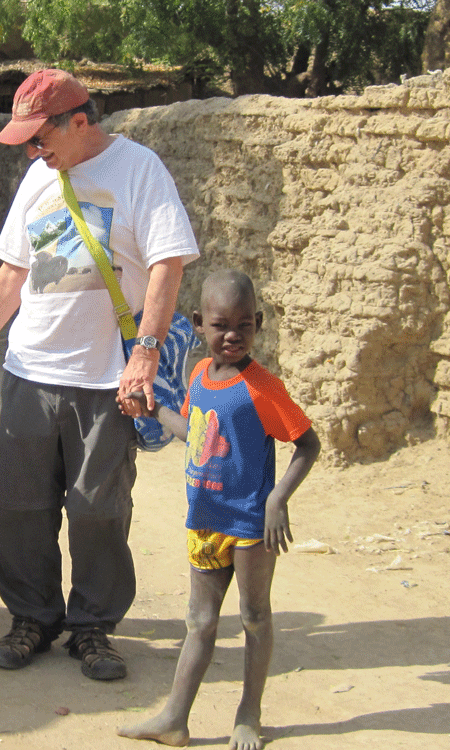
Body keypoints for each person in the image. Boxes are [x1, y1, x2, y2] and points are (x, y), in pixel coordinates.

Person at [0, 68, 199, 681]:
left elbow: (168, 263)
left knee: (98, 509)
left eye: (40, 139)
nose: (33, 153)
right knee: (21, 506)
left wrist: (145, 353)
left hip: (105, 377)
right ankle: (32, 619)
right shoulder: (39, 177)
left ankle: (92, 626)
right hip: (30, 370)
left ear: (78, 121)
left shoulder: (139, 169)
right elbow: (14, 269)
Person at [118, 269, 321, 749]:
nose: (233, 335)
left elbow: (308, 444)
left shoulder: (263, 387)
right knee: (200, 623)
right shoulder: (199, 376)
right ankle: (174, 718)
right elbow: (196, 433)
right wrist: (153, 411)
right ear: (198, 323)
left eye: (244, 325)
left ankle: (248, 714)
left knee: (254, 616)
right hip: (205, 519)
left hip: (249, 524)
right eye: (220, 325)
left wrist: (277, 498)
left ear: (259, 324)